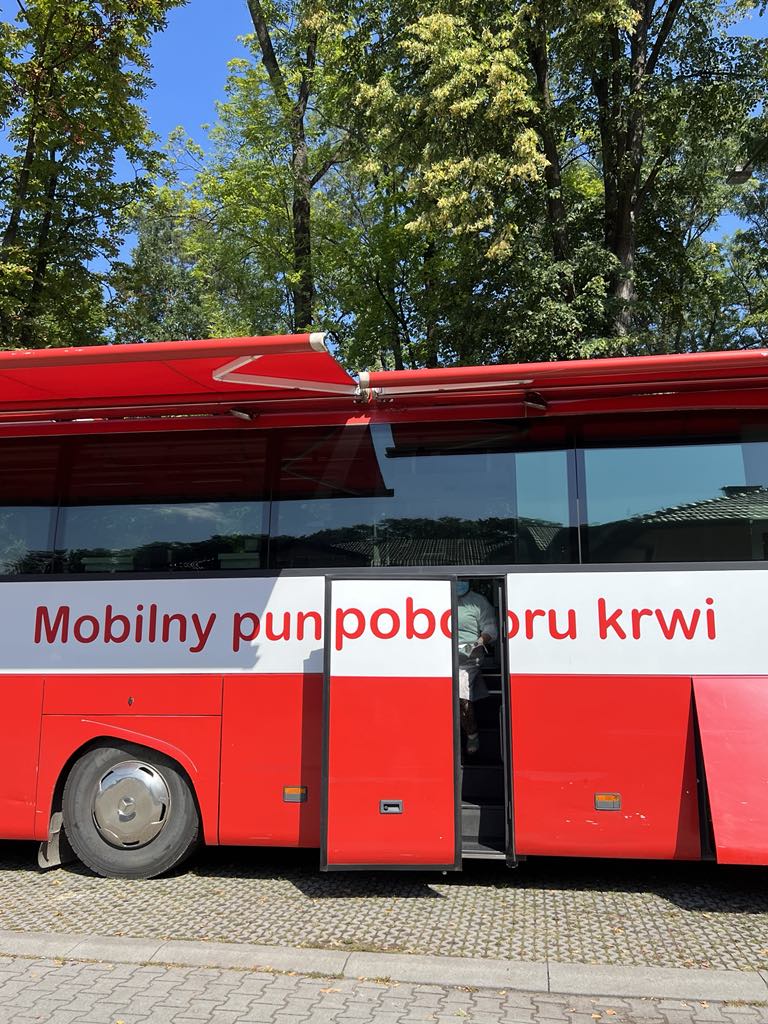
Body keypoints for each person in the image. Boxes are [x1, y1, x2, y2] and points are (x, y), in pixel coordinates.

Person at [456, 580, 497, 755]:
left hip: (468, 660)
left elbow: (491, 629)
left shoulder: (479, 602)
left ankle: (472, 734)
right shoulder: (440, 597)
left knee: (461, 693)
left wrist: (479, 641)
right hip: (442, 658)